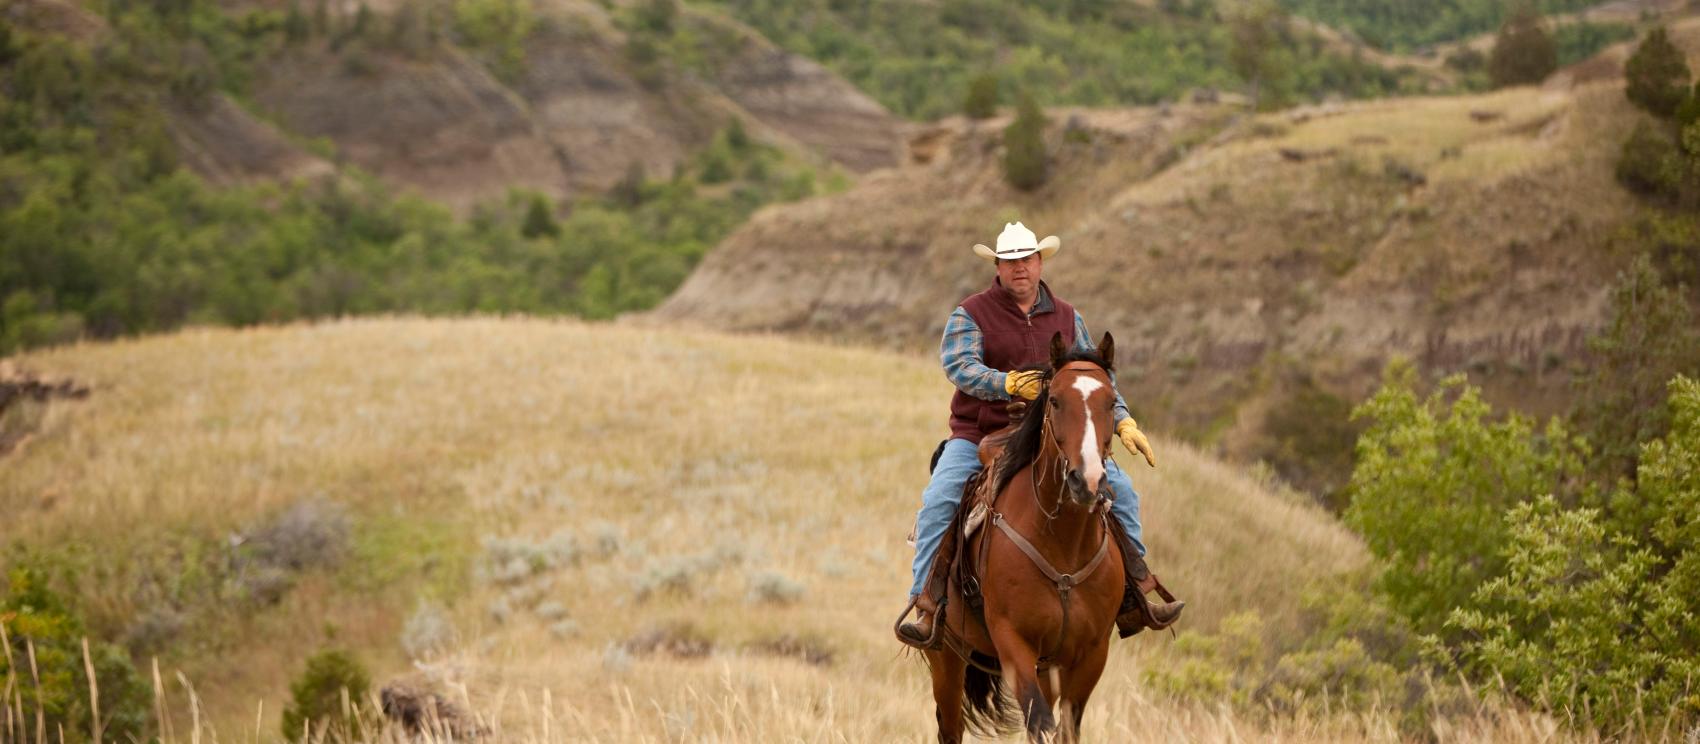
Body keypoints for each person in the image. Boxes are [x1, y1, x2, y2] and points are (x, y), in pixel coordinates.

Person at [896, 222, 1184, 648]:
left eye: (1026, 260)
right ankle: (927, 604)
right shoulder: (970, 313)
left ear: (1040, 262)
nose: (1020, 269)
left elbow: (1095, 379)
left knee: (1121, 491)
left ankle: (1135, 592)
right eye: (1010, 262)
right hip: (981, 434)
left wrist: (1123, 421)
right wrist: (1008, 384)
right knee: (940, 500)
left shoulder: (1069, 317)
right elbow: (959, 366)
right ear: (997, 266)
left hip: (1057, 436)